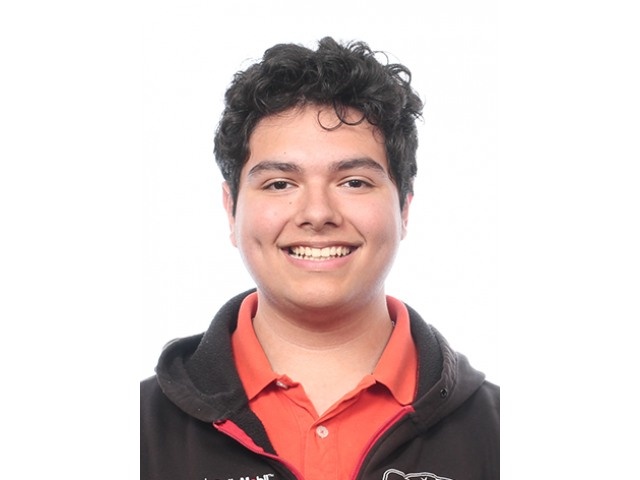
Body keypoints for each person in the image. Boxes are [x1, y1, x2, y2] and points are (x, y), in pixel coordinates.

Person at [140, 37, 499, 480]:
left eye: (354, 182)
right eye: (279, 184)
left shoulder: (498, 431)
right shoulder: (140, 431)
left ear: (404, 208)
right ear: (231, 210)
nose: (317, 213)